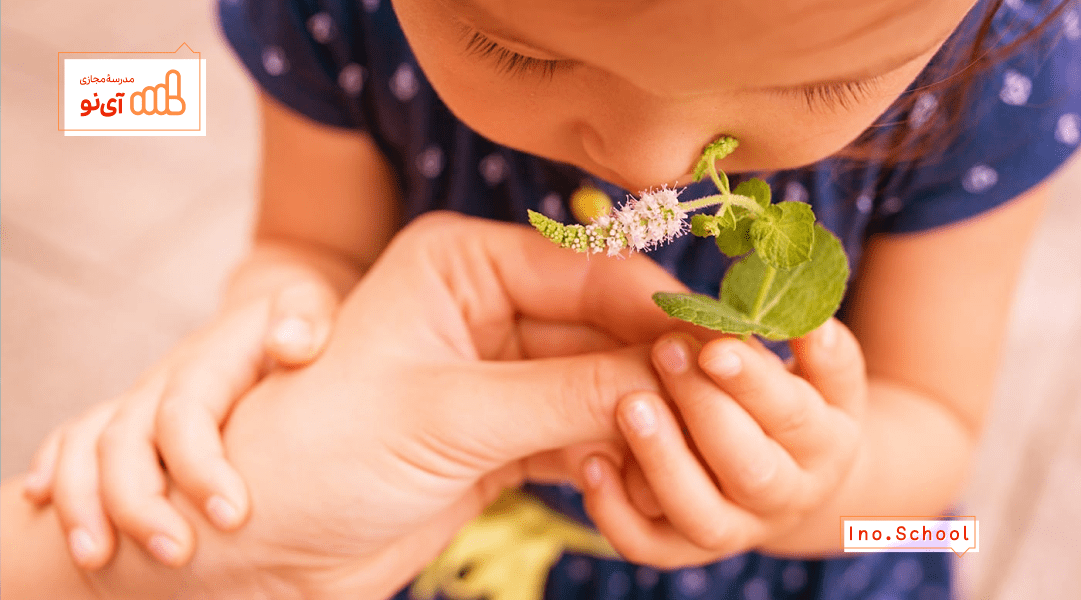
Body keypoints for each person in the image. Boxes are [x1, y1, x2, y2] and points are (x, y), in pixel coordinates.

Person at [16, 0, 1081, 597]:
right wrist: (281, 324)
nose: (650, 169)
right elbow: (306, 243)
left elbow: (933, 427)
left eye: (819, 91)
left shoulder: (996, 71)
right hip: (440, 540)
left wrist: (817, 496)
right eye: (509, 51)